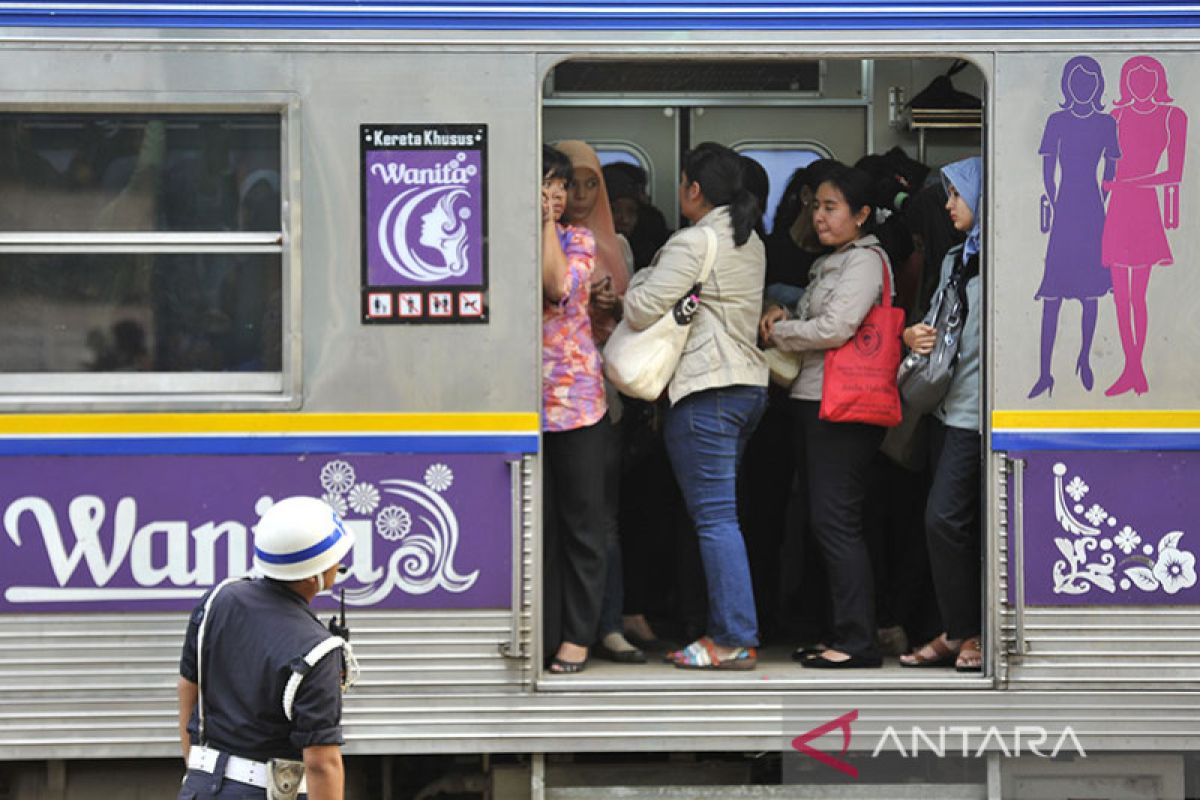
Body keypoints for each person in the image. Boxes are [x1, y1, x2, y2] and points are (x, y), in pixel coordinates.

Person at [624, 142, 769, 670]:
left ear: (694, 190)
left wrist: (642, 273)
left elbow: (639, 309)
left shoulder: (694, 241)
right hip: (747, 388)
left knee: (714, 519)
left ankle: (730, 637)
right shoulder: (748, 239)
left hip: (706, 390)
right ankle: (729, 629)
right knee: (722, 517)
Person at [760, 165, 893, 669]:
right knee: (822, 520)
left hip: (841, 407)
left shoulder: (863, 261)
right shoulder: (833, 260)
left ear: (860, 215)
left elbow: (837, 328)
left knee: (836, 522)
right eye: (815, 205)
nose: (818, 216)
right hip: (817, 400)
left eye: (831, 207)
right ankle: (839, 630)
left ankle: (858, 641)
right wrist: (788, 319)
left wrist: (782, 335)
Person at [177, 496, 355, 799]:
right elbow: (322, 763)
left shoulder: (219, 599)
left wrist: (198, 768)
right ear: (315, 575)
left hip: (200, 788)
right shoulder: (318, 649)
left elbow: (188, 687)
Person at [554, 139, 646, 664]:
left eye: (592, 185)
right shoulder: (555, 242)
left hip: (603, 396)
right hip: (555, 390)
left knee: (600, 518)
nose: (583, 194)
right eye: (573, 184)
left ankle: (606, 625)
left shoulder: (620, 247)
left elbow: (640, 320)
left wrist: (615, 305)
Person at [898, 156, 984, 673]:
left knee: (944, 519)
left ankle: (966, 633)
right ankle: (960, 630)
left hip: (982, 412)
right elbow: (937, 318)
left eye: (957, 194)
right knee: (948, 523)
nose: (949, 205)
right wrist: (913, 335)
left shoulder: (1008, 261)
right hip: (951, 407)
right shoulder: (959, 258)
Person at [540, 144, 609, 674]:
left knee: (582, 524)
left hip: (577, 404)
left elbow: (558, 286)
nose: (557, 194)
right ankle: (541, 632)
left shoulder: (578, 240)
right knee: (536, 528)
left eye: (560, 185)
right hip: (519, 407)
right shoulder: (498, 241)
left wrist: (546, 226)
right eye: (547, 183)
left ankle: (577, 637)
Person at [1029, 56, 1119, 398]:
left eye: (1089, 82)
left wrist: (1103, 199)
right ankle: (1044, 372)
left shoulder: (1106, 123)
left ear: (1097, 85)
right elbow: (1047, 169)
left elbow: (1111, 167)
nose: (1083, 87)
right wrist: (1054, 202)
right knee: (1052, 295)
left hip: (1092, 210)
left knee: (1091, 294)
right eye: (1077, 82)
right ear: (1068, 85)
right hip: (1066, 207)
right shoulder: (1057, 121)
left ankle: (1084, 358)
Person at [1100, 56, 1187, 397]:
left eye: (1146, 80)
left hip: (1143, 208)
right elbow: (1107, 170)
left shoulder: (1172, 117)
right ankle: (1132, 369)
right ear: (1125, 84)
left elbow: (1174, 174)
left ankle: (1134, 368)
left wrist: (1126, 185)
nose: (1139, 86)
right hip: (1118, 210)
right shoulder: (1116, 116)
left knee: (1138, 296)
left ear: (1158, 82)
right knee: (1120, 296)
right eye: (1133, 80)